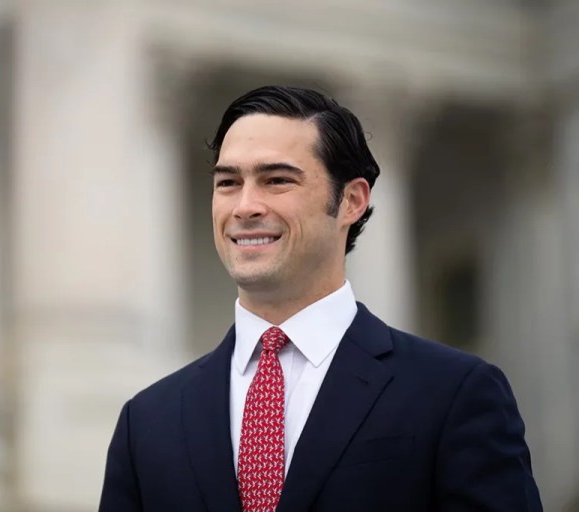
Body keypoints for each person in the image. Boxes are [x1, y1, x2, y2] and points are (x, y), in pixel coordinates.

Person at [98, 85, 542, 511]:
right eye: (228, 182)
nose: (245, 206)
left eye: (276, 180)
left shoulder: (454, 394)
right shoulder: (146, 422)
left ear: (351, 200)